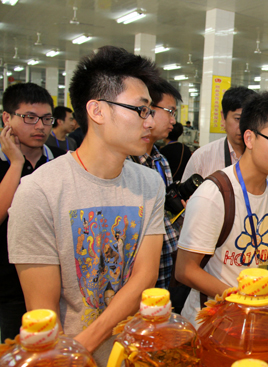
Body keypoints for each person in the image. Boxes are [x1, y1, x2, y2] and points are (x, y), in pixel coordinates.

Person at [8, 46, 165, 366]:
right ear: (97, 111)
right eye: (142, 109)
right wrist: (72, 355)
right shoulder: (38, 192)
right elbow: (44, 313)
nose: (150, 121)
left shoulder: (150, 185)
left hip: (132, 354)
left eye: (151, 111)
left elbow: (144, 276)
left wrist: (83, 346)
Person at [175, 91, 268, 326]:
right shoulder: (214, 194)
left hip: (254, 319)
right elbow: (185, 270)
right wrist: (239, 299)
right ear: (249, 138)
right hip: (211, 323)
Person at [182, 86, 268, 216]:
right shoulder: (202, 157)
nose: (243, 126)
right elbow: (183, 204)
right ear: (223, 118)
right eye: (237, 119)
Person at [0, 83, 56, 342]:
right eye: (29, 118)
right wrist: (16, 164)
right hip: (8, 283)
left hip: (52, 280)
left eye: (46, 119)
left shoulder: (57, 161)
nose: (40, 126)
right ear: (6, 119)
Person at [129, 79, 182, 292]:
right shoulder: (126, 164)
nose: (173, 120)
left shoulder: (160, 160)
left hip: (168, 268)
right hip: (138, 280)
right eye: (169, 111)